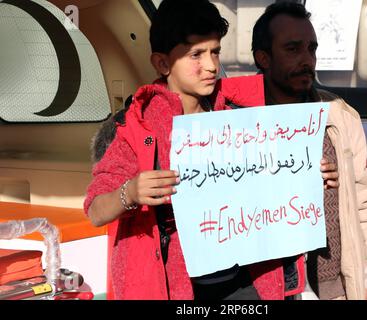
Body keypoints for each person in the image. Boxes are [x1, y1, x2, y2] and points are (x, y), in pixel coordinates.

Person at [85, 0, 338, 300]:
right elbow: (95, 210)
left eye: (215, 51)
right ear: (162, 64)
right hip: (175, 288)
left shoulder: (239, 116)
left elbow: (269, 187)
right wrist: (131, 192)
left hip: (247, 283)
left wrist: (308, 174)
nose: (211, 66)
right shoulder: (135, 128)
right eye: (196, 54)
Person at [251, 2, 367, 300]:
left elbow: (364, 209)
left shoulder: (340, 116)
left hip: (332, 290)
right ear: (263, 58)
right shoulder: (238, 121)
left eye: (311, 49)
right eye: (293, 49)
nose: (307, 60)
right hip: (268, 288)